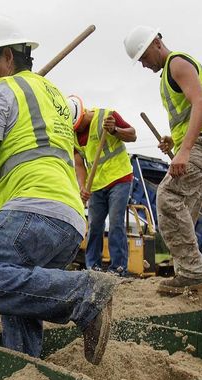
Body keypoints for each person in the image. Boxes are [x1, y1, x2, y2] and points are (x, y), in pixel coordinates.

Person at [0, 15, 116, 364]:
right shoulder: (52, 94)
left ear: (8, 57)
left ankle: (84, 294)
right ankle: (24, 371)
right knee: (18, 297)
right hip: (69, 219)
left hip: (34, 209)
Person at [123, 25, 202, 296]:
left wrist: (184, 151)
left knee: (168, 196)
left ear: (156, 43)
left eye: (143, 57)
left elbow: (201, 104)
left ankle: (193, 273)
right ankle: (190, 277)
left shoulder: (177, 63)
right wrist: (175, 140)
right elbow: (189, 113)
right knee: (186, 207)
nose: (144, 64)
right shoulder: (170, 73)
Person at [66, 95, 137, 276]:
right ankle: (93, 268)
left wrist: (115, 130)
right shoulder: (72, 134)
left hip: (119, 178)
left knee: (115, 223)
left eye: (79, 125)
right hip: (96, 185)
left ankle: (118, 268)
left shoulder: (107, 116)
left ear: (83, 115)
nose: (78, 130)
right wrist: (82, 186)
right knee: (95, 226)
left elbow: (132, 135)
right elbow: (79, 162)